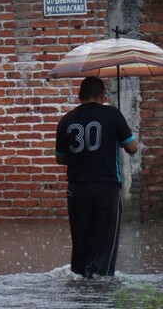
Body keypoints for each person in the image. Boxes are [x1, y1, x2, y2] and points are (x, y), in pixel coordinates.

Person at [55, 76, 139, 278]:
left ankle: (81, 286)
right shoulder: (113, 115)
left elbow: (61, 159)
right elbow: (132, 148)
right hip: (106, 188)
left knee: (81, 241)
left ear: (79, 96)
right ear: (103, 95)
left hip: (76, 190)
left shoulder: (66, 120)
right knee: (105, 246)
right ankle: (101, 293)